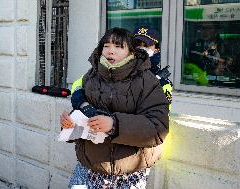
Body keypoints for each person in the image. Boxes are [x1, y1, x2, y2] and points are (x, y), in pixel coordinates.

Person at [61, 27, 169, 188]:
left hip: (130, 172)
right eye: (106, 46)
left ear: (131, 52)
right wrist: (69, 124)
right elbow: (84, 112)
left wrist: (114, 124)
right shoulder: (91, 76)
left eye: (118, 46)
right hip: (90, 167)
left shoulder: (147, 81)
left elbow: (158, 127)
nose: (111, 51)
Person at [133, 26, 173, 105]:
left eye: (146, 45)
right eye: (137, 44)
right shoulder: (121, 70)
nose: (141, 48)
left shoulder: (162, 83)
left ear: (156, 50)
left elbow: (161, 114)